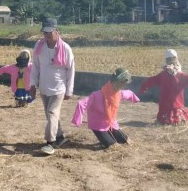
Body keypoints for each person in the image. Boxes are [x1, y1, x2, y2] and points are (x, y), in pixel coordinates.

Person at [29, 18, 75, 155]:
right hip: (44, 87)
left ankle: (50, 143)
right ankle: (60, 137)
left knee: (52, 113)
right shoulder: (39, 46)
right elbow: (35, 67)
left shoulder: (65, 48)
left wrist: (69, 90)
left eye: (49, 32)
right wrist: (32, 84)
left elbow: (71, 69)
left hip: (58, 87)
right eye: (45, 32)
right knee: (51, 116)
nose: (47, 35)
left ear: (57, 31)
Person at [72, 68, 140, 149]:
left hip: (111, 123)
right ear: (113, 82)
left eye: (123, 84)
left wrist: (135, 99)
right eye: (120, 83)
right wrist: (77, 120)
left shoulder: (119, 94)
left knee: (126, 141)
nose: (122, 86)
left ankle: (109, 138)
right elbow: (81, 103)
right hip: (98, 125)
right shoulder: (96, 95)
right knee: (113, 146)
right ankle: (106, 140)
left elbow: (129, 93)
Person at [139, 49, 188, 125]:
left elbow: (149, 81)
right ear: (176, 59)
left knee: (163, 120)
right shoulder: (182, 76)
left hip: (164, 112)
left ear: (166, 60)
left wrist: (142, 89)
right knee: (181, 118)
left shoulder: (162, 75)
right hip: (178, 110)